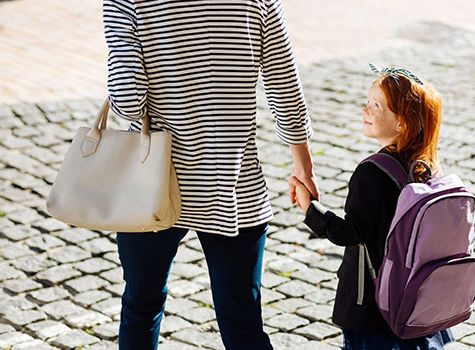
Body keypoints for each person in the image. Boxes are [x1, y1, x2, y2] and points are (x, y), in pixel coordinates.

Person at [102, 1, 317, 349]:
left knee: (141, 308)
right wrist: (303, 166)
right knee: (243, 324)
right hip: (234, 181)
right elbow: (284, 81)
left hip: (151, 181)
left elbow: (127, 101)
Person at [291, 64, 455, 349]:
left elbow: (351, 233)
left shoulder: (371, 173)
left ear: (401, 122)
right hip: (415, 299)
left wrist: (310, 209)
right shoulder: (424, 167)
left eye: (376, 106)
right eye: (367, 103)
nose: (364, 110)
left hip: (373, 304)